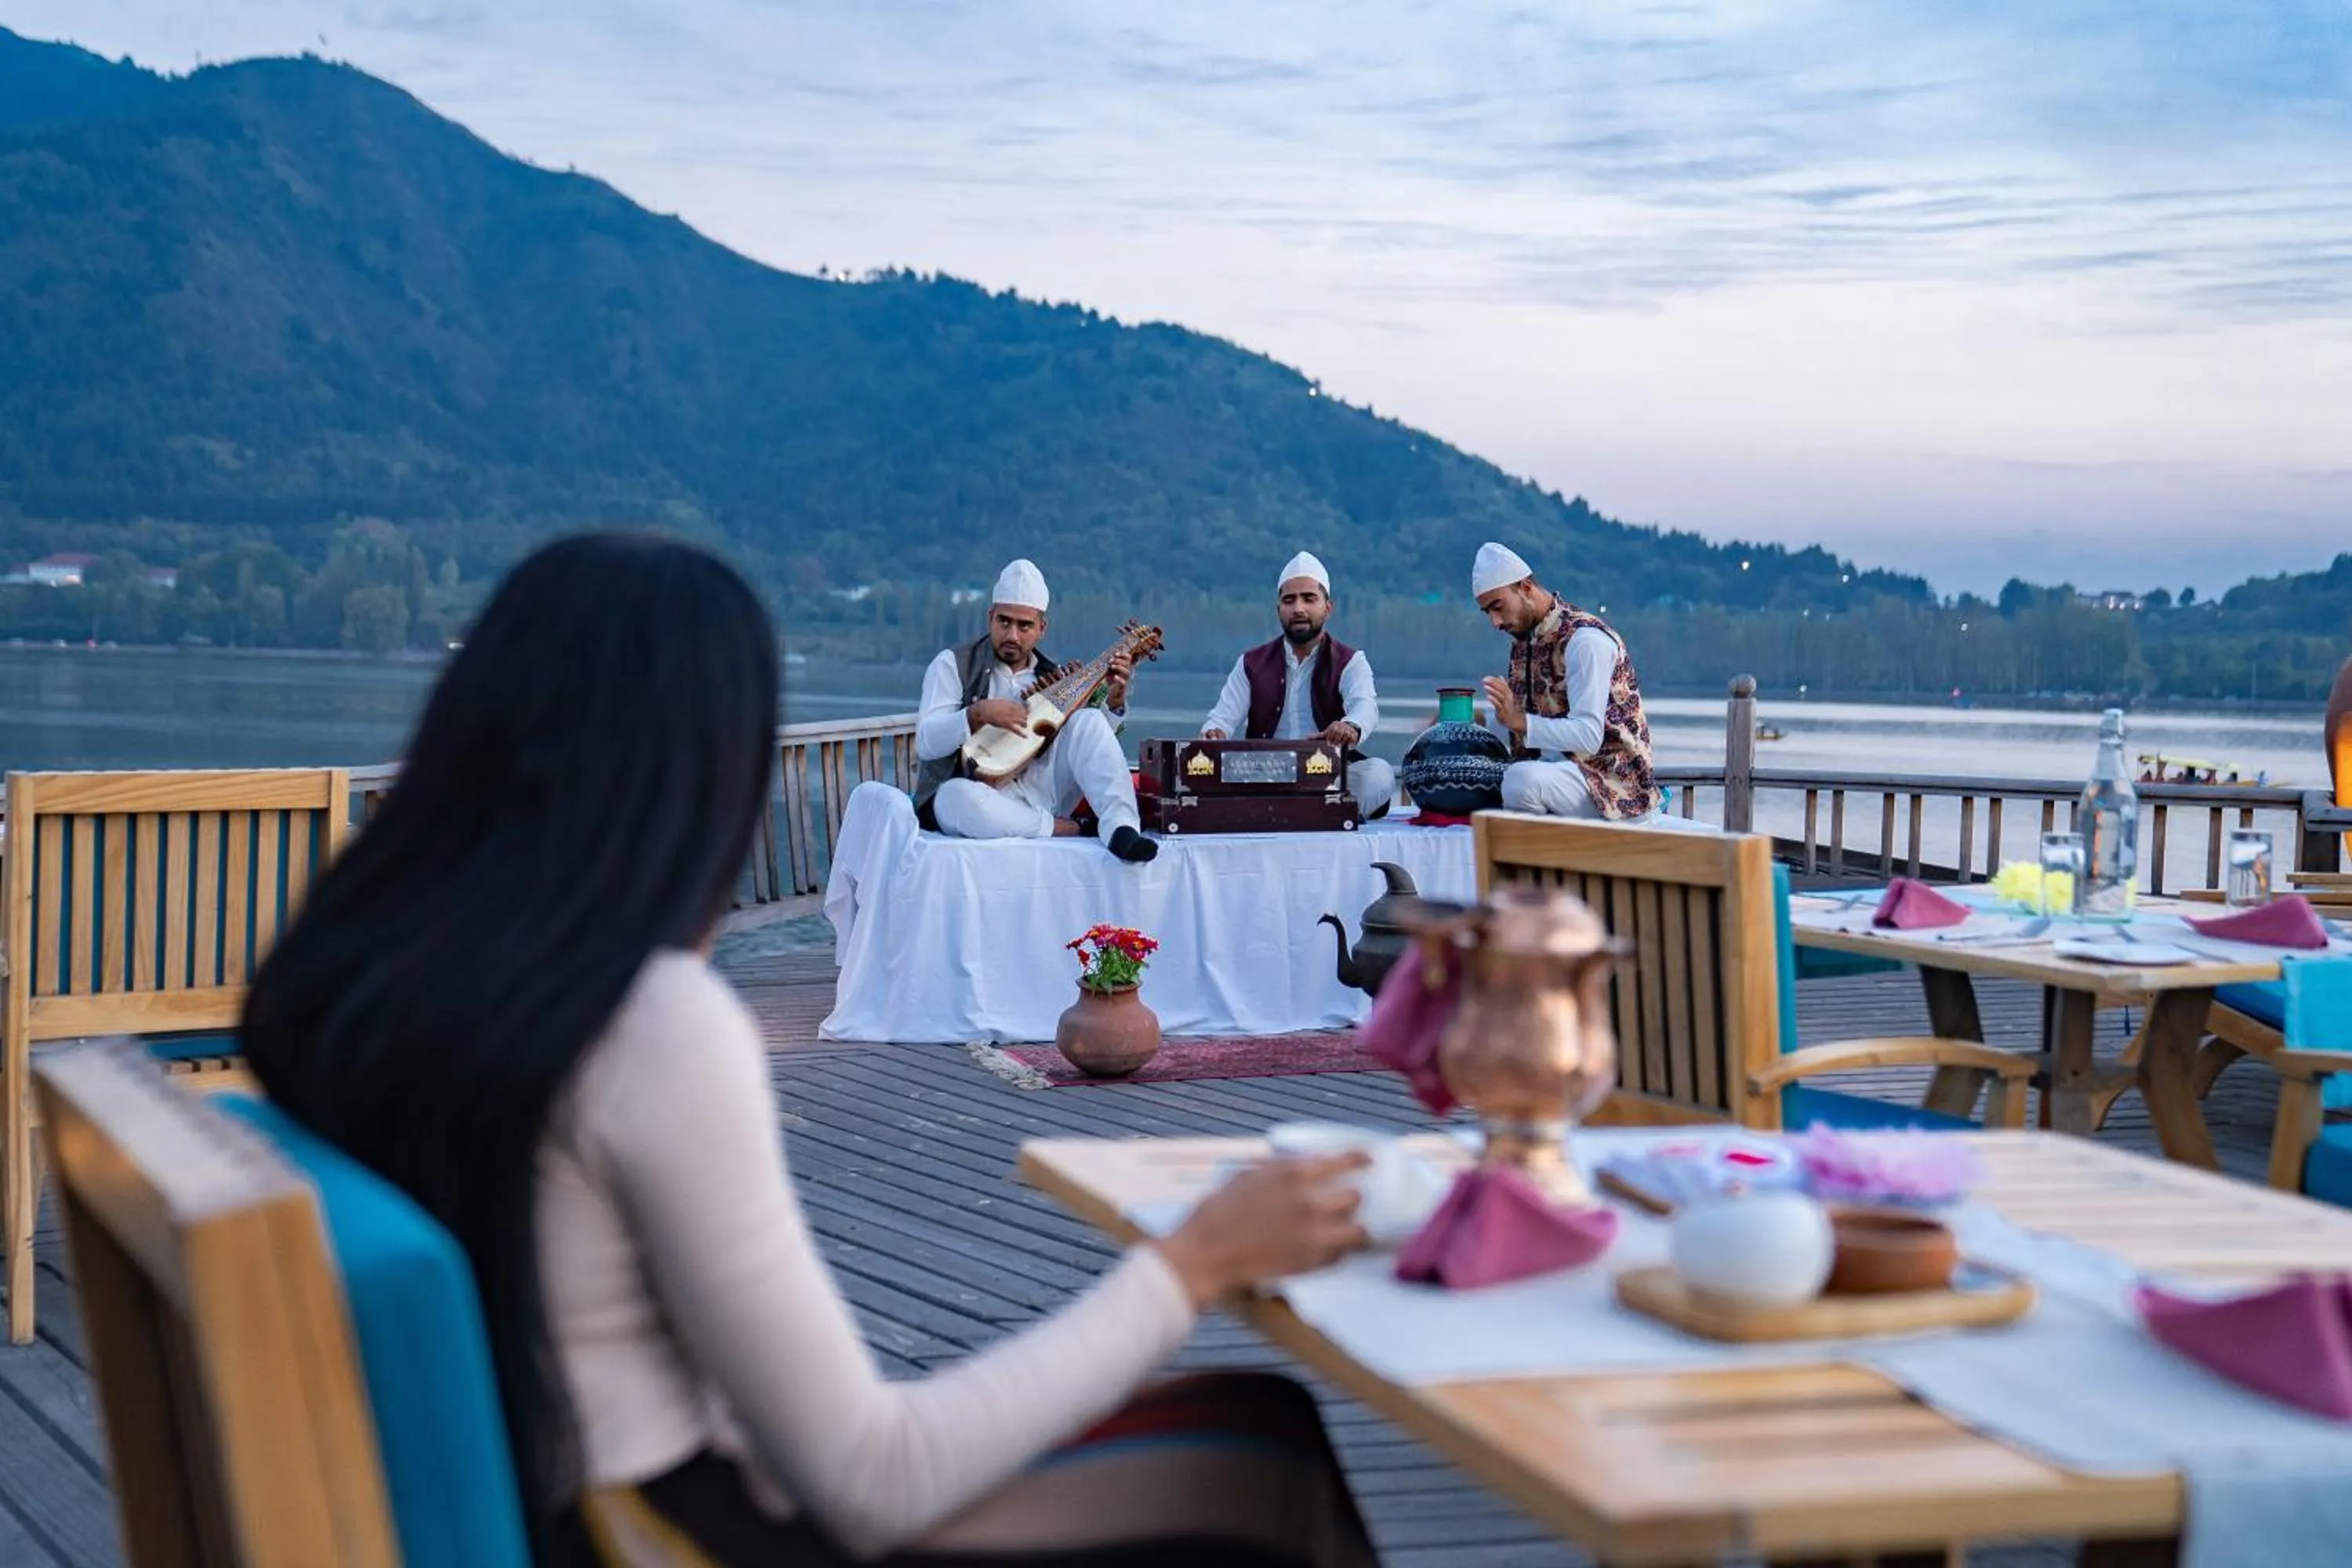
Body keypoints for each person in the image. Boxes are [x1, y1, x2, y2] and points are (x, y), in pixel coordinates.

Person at [240, 535, 1377, 1567]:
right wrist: (1194, 1264)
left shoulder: (343, 978)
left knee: (1249, 1449)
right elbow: (875, 1479)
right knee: (1264, 1453)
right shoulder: (649, 1026)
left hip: (552, 1500)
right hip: (669, 1530)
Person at [913, 559, 1157, 863]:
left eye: (1024, 625)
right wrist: (976, 714)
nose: (1012, 634)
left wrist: (1116, 699)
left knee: (1090, 719)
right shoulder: (953, 665)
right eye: (1004, 621)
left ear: (1042, 628)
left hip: (1039, 794)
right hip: (981, 797)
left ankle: (1121, 829)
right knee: (954, 797)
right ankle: (1072, 830)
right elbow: (925, 743)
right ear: (990, 618)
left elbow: (1088, 745)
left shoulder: (1052, 676)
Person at [1470, 542, 1662, 820]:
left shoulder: (1585, 640)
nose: (1495, 622)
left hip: (1613, 786)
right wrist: (1480, 725)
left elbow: (1588, 736)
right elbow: (1530, 724)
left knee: (1521, 782)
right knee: (1476, 776)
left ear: (1525, 587)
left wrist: (1519, 721)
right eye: (1487, 612)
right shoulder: (1527, 642)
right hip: (1564, 775)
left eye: (1497, 607)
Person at [1200, 551, 1396, 817]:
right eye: (1289, 600)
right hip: (1261, 774)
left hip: (1326, 773)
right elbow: (1221, 719)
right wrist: (1214, 733)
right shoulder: (1250, 663)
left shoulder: (1351, 661)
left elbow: (1365, 707)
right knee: (1204, 769)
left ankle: (1305, 816)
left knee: (1380, 774)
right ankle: (1314, 816)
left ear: (1328, 608)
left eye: (1309, 598)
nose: (1299, 608)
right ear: (1278, 609)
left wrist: (1349, 726)